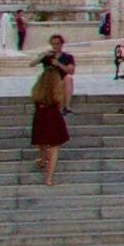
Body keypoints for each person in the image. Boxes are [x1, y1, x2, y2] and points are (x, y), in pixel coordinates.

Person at [27, 41, 74, 183]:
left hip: (41, 115)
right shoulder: (57, 88)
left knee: (42, 141)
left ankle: (42, 159)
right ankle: (49, 178)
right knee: (54, 148)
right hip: (54, 116)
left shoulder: (38, 90)